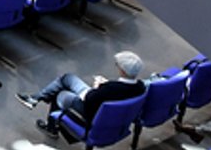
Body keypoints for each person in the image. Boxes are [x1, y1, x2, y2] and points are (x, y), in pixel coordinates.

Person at [20, 51, 149, 136]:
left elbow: (90, 99)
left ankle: (50, 126)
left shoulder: (110, 88)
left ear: (123, 71)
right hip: (106, 109)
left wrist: (97, 86)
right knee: (68, 78)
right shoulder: (140, 87)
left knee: (61, 93)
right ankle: (36, 98)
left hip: (92, 110)